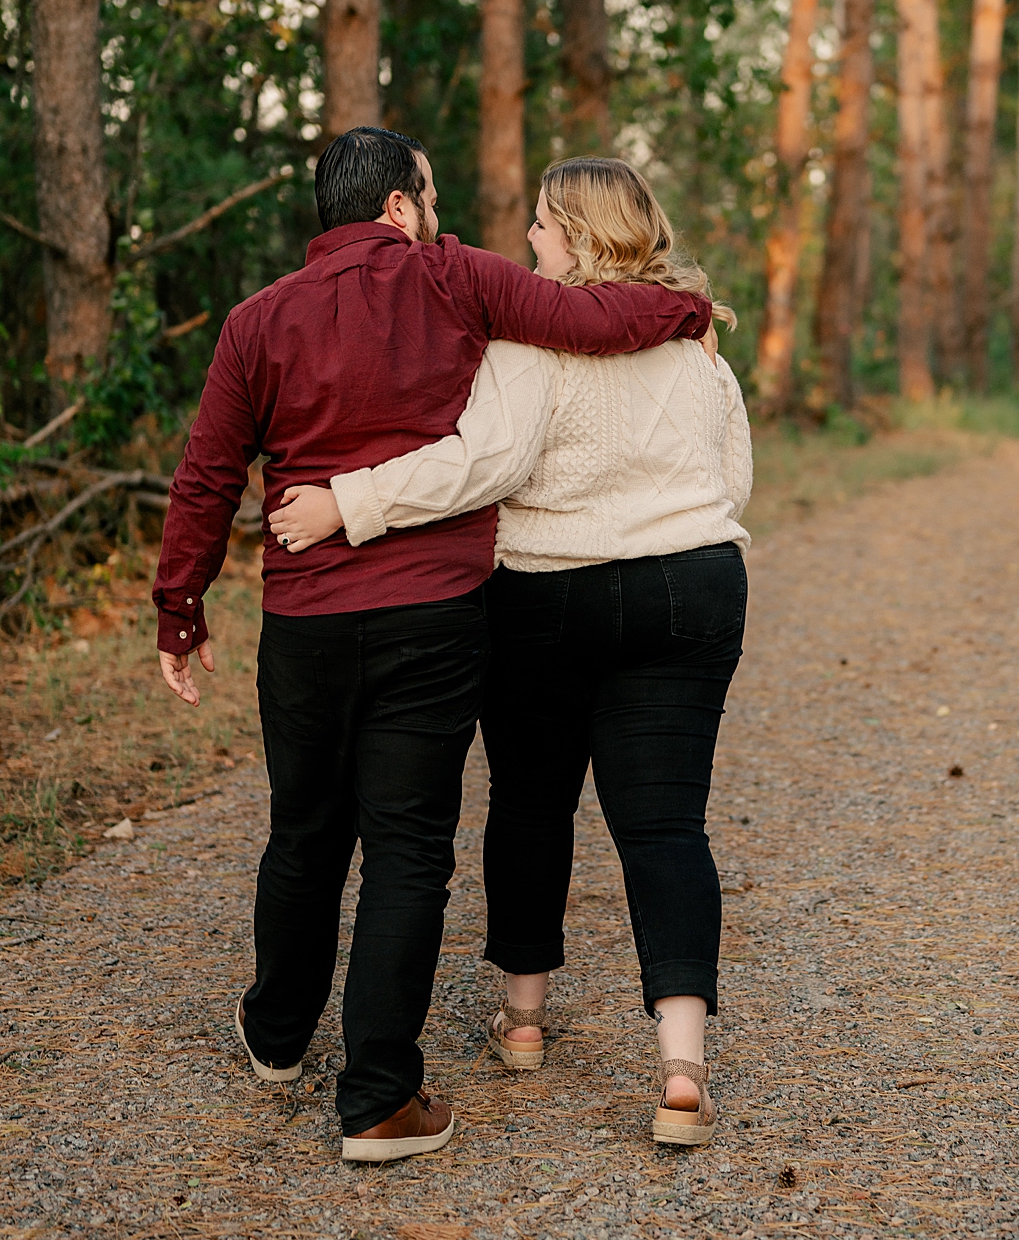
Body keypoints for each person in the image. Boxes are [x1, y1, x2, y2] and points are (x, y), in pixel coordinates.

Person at [152, 129, 712, 1165]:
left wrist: (180, 610)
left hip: (307, 623)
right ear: (402, 209)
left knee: (304, 831)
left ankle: (277, 1039)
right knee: (409, 851)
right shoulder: (455, 278)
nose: (443, 216)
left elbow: (207, 473)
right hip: (432, 617)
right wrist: (689, 306)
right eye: (434, 197)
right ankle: (376, 1098)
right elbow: (595, 315)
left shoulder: (257, 320)